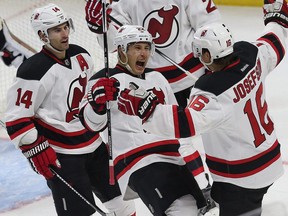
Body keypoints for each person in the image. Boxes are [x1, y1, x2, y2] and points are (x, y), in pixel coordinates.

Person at [116, 0, 287, 215]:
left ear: (207, 55)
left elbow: (185, 123)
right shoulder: (252, 54)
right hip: (270, 160)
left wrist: (145, 109)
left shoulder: (212, 91)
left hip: (242, 177)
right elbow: (274, 41)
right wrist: (276, 19)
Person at [4, 3, 135, 216]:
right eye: (57, 30)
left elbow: (87, 99)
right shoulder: (32, 72)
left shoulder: (82, 56)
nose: (65, 33)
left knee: (123, 204)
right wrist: (35, 147)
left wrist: (100, 101)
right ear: (42, 35)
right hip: (63, 155)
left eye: (66, 26)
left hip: (94, 144)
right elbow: (16, 119)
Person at [85, 0, 220, 200]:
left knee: (214, 131)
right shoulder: (125, 3)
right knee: (179, 140)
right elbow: (115, 44)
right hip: (155, 82)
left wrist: (213, 60)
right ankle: (202, 187)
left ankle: (219, 182)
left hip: (195, 77)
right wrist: (100, 28)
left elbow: (209, 26)